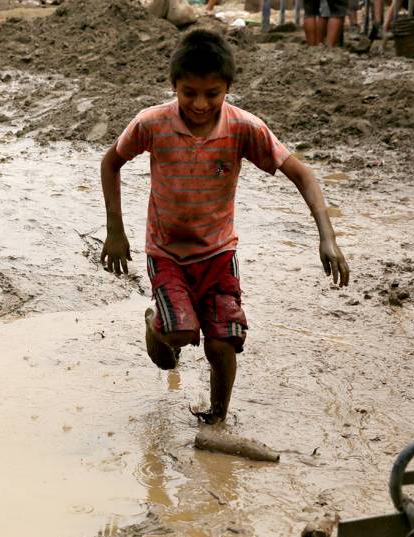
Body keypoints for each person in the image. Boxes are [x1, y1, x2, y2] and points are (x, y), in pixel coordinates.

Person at [99, 29, 349, 425]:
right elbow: (110, 161)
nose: (200, 104)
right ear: (174, 86)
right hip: (166, 252)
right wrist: (116, 229)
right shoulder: (152, 123)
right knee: (179, 335)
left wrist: (327, 236)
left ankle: (217, 418)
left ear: (227, 88)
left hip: (218, 253)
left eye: (211, 94)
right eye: (189, 93)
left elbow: (301, 173)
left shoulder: (243, 128)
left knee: (221, 342)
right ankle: (156, 326)